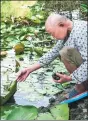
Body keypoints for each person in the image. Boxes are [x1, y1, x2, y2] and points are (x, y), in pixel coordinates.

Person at [16, 13, 88, 99]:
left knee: (66, 52)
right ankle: (82, 85)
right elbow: (53, 52)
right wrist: (29, 69)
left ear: (61, 25)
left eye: (52, 33)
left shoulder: (80, 31)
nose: (53, 37)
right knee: (64, 52)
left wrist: (70, 78)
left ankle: (81, 87)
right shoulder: (69, 30)